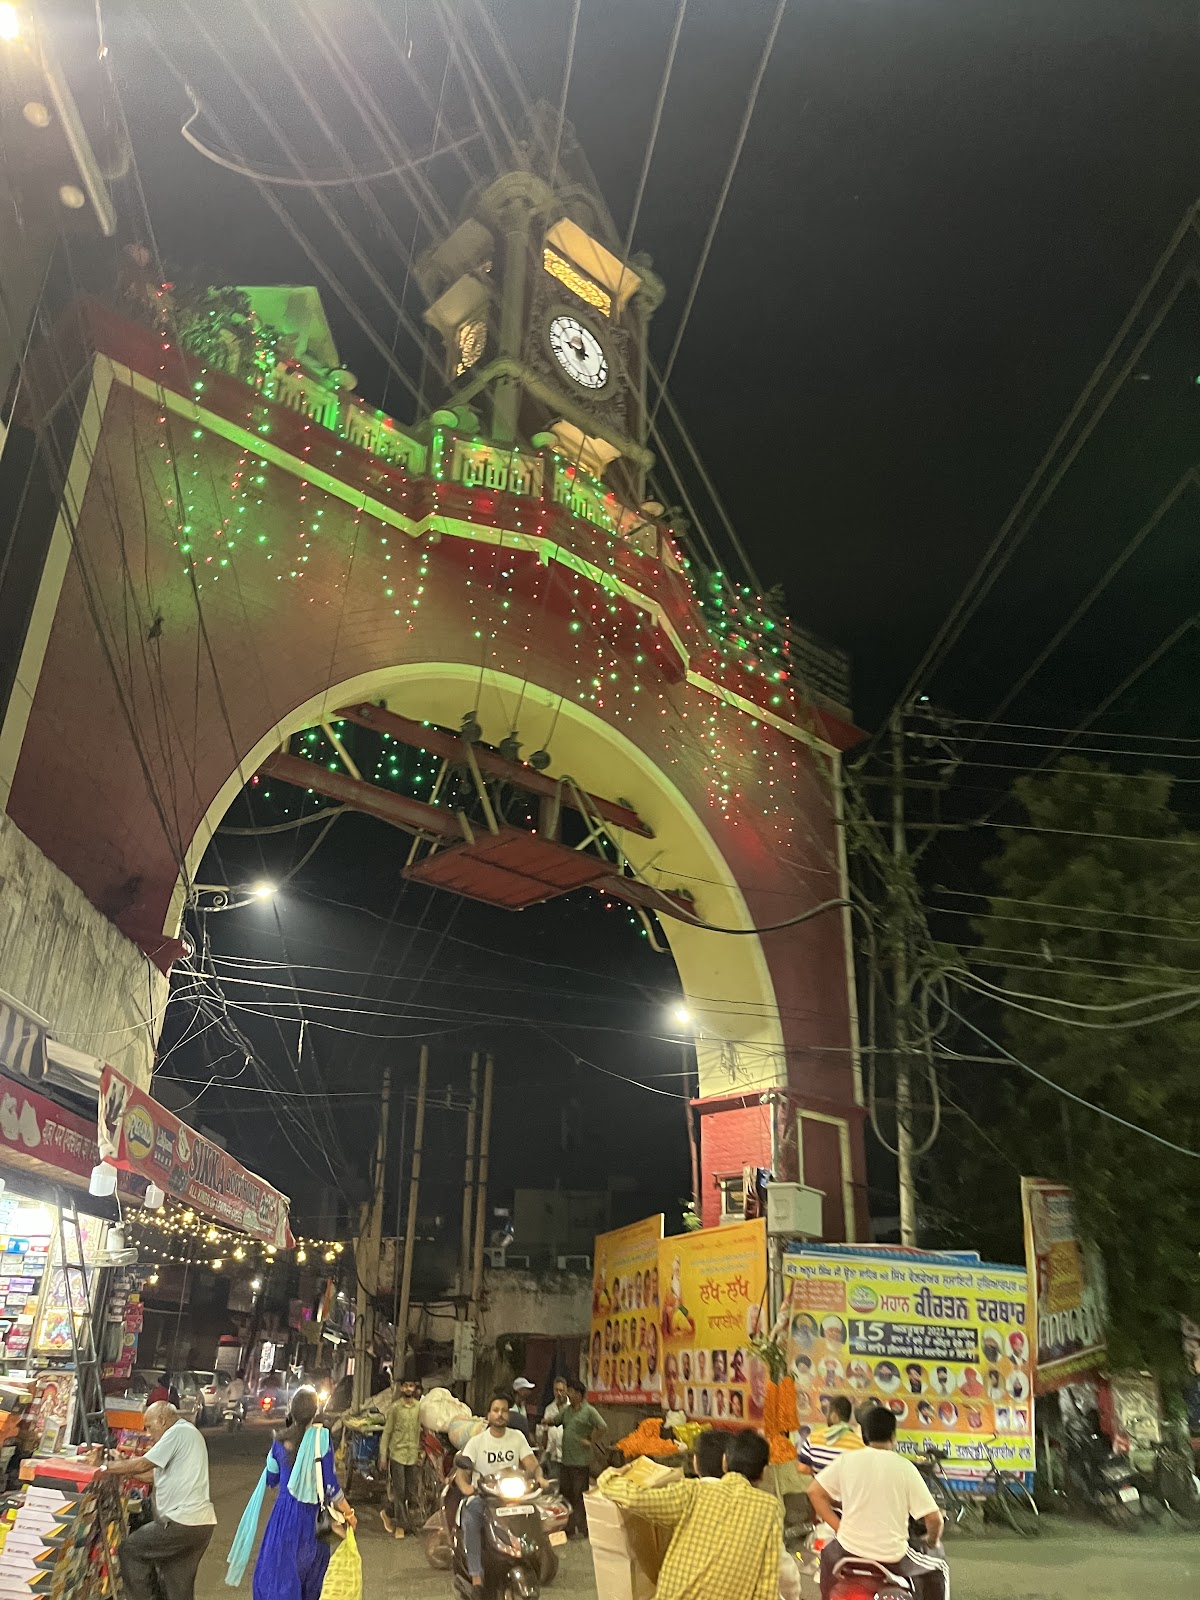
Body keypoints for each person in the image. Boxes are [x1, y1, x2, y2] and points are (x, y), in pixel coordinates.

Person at [602, 1428, 783, 1600]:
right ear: (764, 1472)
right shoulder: (769, 1509)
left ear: (725, 1462)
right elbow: (767, 1586)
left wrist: (608, 1478)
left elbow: (636, 1498)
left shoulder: (693, 1491)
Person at [807, 1405, 948, 1600]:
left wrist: (839, 1527)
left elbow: (814, 1492)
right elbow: (934, 1519)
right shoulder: (904, 1467)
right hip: (892, 1557)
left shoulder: (847, 1461)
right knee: (939, 1564)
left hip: (848, 1550)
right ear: (893, 1436)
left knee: (826, 1559)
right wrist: (932, 1542)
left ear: (864, 1435)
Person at [226, 1387, 355, 1600]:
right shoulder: (321, 1438)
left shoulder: (279, 1442)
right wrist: (348, 1512)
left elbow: (272, 1478)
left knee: (281, 1576)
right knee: (310, 1578)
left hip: (283, 1517)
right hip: (311, 1519)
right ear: (314, 1412)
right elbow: (330, 1484)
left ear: (292, 1412)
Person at [105, 1402, 215, 1600]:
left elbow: (143, 1464)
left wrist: (104, 1467)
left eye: (149, 1427)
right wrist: (123, 1465)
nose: (148, 1434)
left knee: (130, 1551)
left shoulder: (178, 1432)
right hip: (199, 1524)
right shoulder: (186, 1434)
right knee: (177, 1588)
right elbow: (151, 1476)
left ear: (162, 1420)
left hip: (182, 1521)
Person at [454, 1394, 548, 1590]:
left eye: (504, 1411)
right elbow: (461, 1473)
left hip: (512, 1496)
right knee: (471, 1518)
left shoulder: (517, 1437)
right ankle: (476, 1573)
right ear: (488, 1415)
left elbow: (531, 1463)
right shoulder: (477, 1442)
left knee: (536, 1514)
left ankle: (534, 1561)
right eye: (496, 1410)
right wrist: (466, 1488)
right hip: (485, 1496)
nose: (500, 1414)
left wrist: (539, 1477)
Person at [558, 1376, 605, 1539]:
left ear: (579, 1394)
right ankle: (569, 1529)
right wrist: (546, 1421)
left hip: (580, 1463)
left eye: (570, 1391)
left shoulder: (589, 1411)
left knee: (579, 1497)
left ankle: (584, 1529)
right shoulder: (567, 1411)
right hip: (566, 1461)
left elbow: (602, 1427)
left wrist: (591, 1440)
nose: (568, 1394)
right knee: (566, 1496)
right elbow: (556, 1420)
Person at [379, 1377, 422, 1538]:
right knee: (400, 1491)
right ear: (402, 1388)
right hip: (397, 1454)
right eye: (406, 1386)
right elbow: (387, 1432)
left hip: (412, 1455)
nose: (409, 1389)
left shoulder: (418, 1407)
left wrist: (420, 1451)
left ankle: (387, 1512)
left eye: (411, 1386)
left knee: (410, 1492)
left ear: (414, 1388)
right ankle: (401, 1526)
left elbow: (419, 1430)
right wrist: (383, 1456)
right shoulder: (395, 1408)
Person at [797, 1394, 865, 1475]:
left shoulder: (813, 1438)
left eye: (828, 1412)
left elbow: (802, 1468)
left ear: (834, 1416)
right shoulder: (858, 1444)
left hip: (819, 1482)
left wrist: (820, 1474)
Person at [540, 1377, 570, 1479]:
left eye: (561, 1390)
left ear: (566, 1391)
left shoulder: (571, 1409)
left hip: (568, 1456)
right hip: (552, 1455)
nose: (559, 1393)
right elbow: (545, 1430)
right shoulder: (549, 1409)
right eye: (556, 1390)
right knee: (554, 1481)